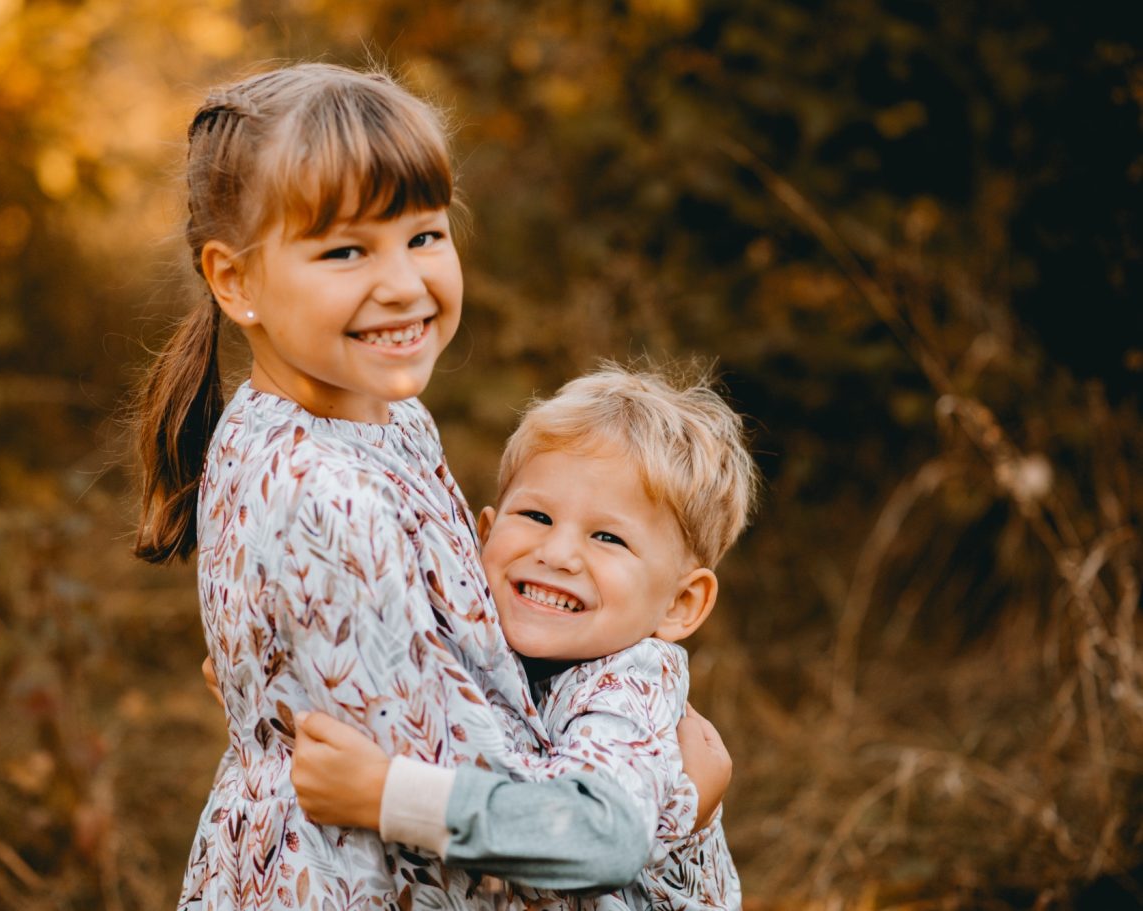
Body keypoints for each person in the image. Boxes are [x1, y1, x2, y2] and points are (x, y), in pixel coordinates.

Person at [133, 63, 730, 911]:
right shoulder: (324, 494)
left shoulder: (381, 419)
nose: (404, 283)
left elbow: (413, 678)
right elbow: (444, 819)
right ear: (236, 280)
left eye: (424, 235)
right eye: (345, 250)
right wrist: (679, 803)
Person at [291, 365, 755, 910]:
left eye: (608, 537)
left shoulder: (630, 687)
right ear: (482, 537)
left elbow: (598, 836)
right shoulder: (474, 639)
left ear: (681, 604)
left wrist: (385, 795)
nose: (556, 554)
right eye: (536, 515)